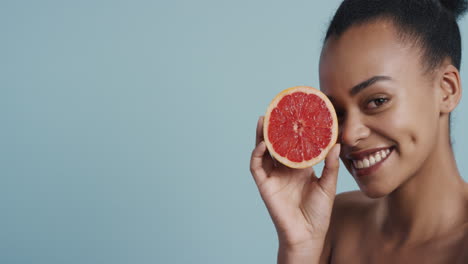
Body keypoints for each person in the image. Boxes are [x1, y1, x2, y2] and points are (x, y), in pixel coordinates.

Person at [249, 0, 468, 263]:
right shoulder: (331, 226)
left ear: (447, 89)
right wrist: (298, 247)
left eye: (377, 101)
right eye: (337, 113)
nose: (349, 135)